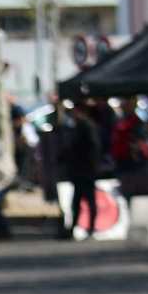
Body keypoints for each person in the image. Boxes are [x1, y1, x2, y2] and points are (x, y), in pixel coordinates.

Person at [59, 101, 101, 239]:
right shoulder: (79, 126)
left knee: (89, 200)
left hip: (86, 170)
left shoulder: (87, 126)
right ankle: (74, 228)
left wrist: (91, 166)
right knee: (77, 201)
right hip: (79, 170)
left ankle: (92, 227)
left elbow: (92, 148)